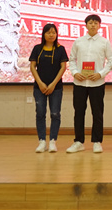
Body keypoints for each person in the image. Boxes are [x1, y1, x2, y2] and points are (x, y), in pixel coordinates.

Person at [67, 14, 112, 153]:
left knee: (97, 113)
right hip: (79, 83)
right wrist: (75, 73)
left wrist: (101, 74)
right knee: (79, 113)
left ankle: (97, 141)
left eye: (95, 23)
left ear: (99, 25)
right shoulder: (78, 41)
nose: (93, 25)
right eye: (90, 23)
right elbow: (72, 60)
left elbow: (111, 61)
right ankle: (78, 141)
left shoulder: (104, 42)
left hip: (97, 83)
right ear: (86, 25)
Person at [29, 23, 68, 153]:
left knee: (55, 114)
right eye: (48, 32)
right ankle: (42, 141)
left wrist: (53, 84)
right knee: (40, 113)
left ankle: (52, 141)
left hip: (56, 88)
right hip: (39, 87)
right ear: (44, 34)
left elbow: (63, 67)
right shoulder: (37, 48)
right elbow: (32, 66)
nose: (51, 35)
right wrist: (40, 83)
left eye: (53, 32)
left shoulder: (60, 49)